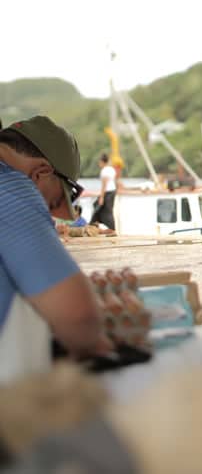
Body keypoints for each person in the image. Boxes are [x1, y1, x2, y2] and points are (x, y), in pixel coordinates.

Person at [0, 116, 110, 381]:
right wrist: (93, 344)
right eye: (54, 202)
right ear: (40, 173)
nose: (50, 216)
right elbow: (78, 316)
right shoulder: (10, 186)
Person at [89, 153, 116, 230]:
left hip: (107, 192)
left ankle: (111, 228)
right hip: (112, 191)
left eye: (99, 162)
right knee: (99, 207)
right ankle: (94, 225)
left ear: (102, 161)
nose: (99, 164)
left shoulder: (104, 170)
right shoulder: (111, 169)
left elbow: (104, 184)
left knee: (105, 210)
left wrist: (101, 197)